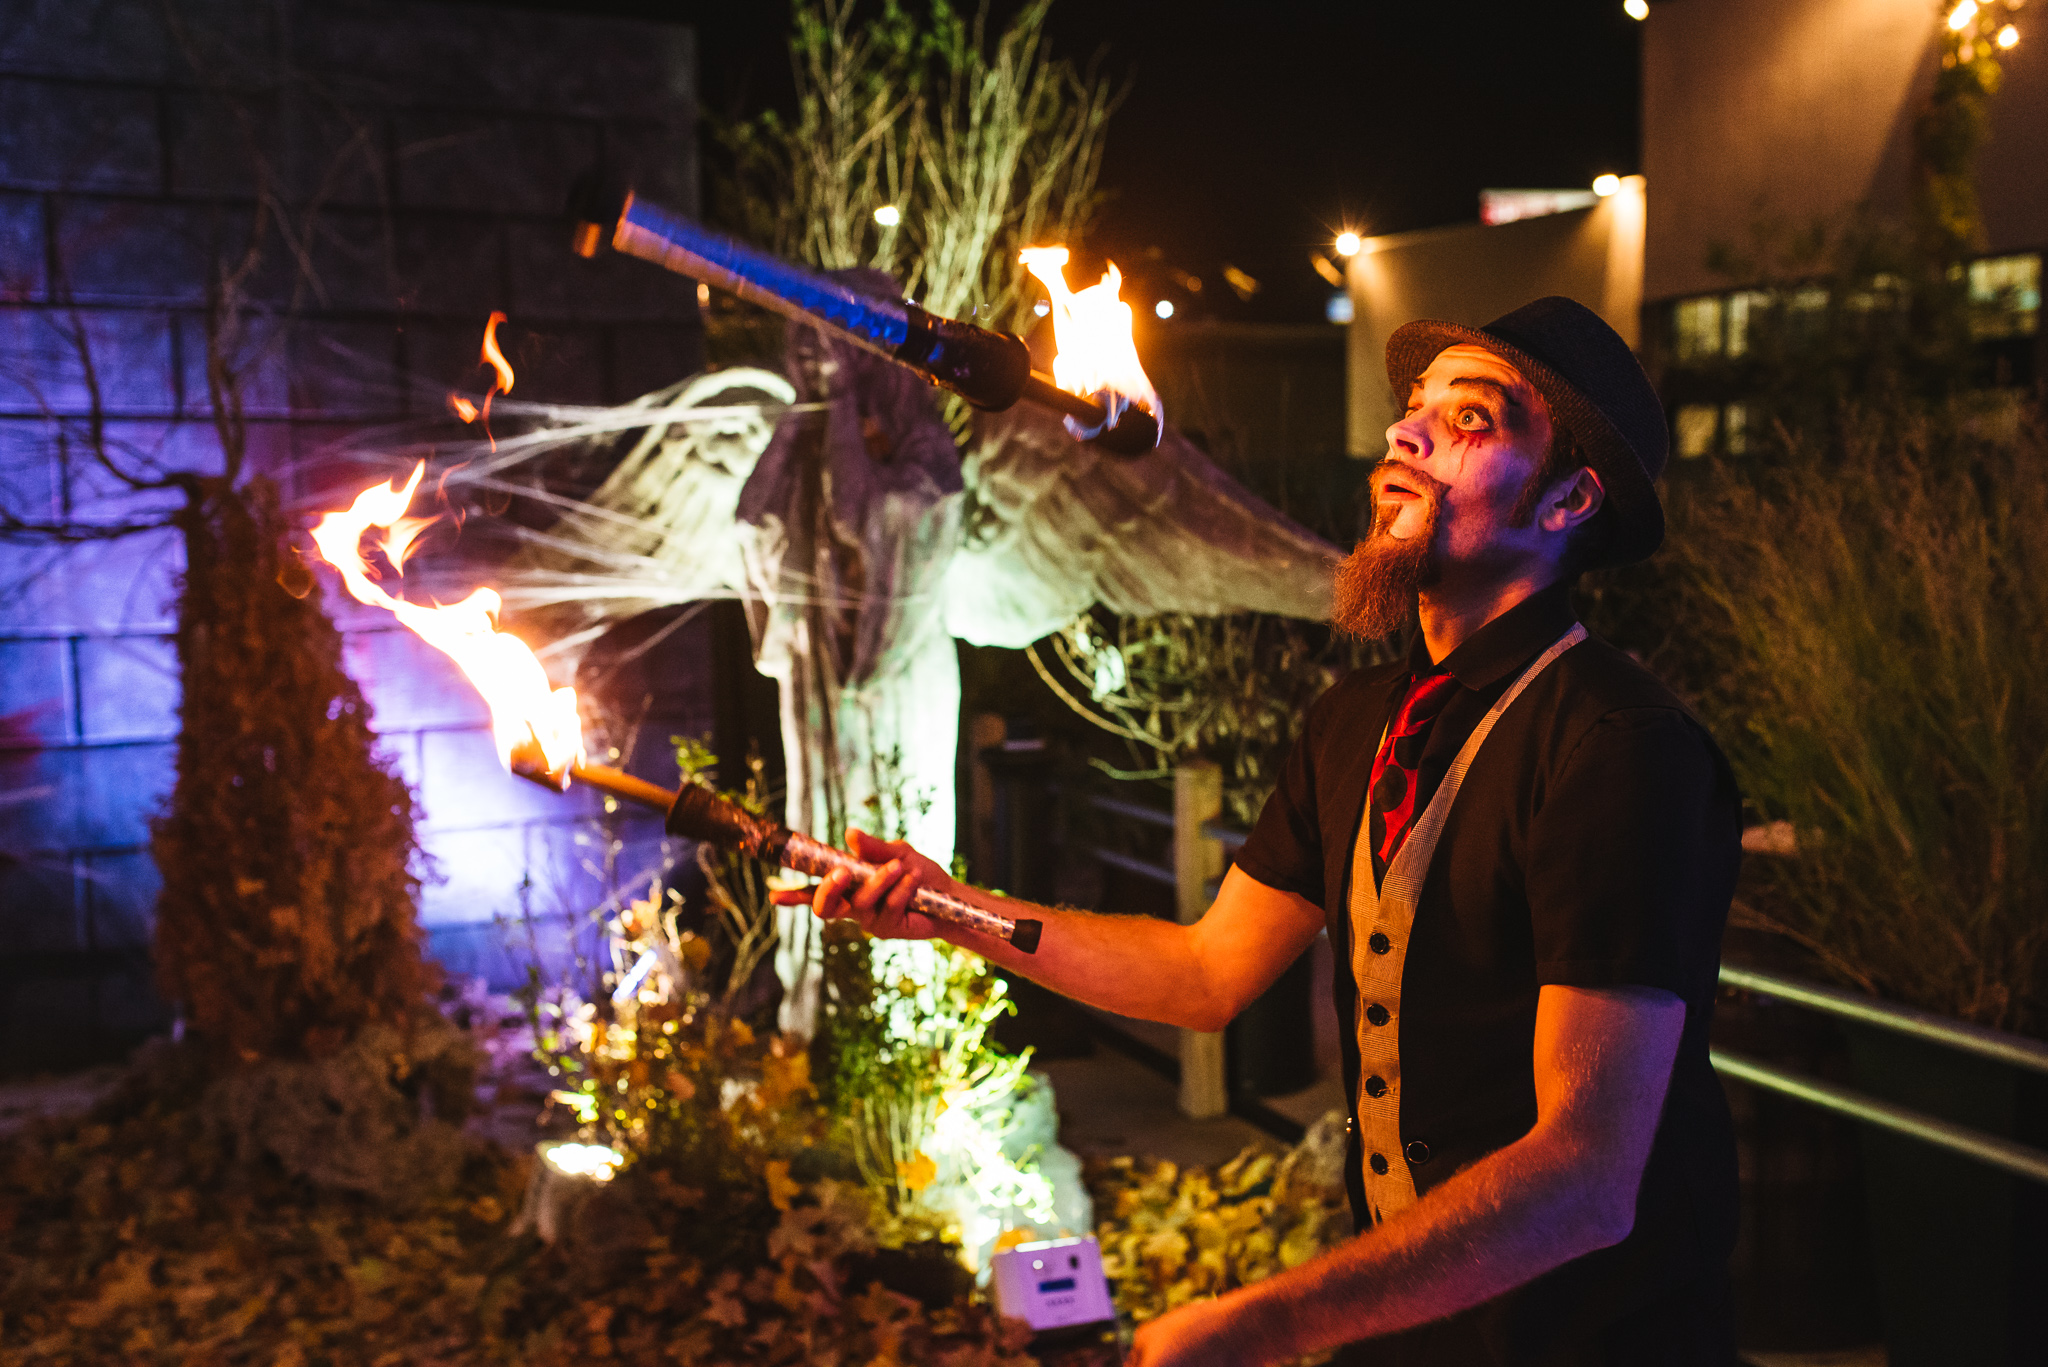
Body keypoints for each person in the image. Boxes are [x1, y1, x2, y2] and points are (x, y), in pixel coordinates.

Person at [776, 297, 1742, 1366]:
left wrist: (1265, 1319)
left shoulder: (1618, 745)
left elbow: (1586, 1174)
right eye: (1413, 406)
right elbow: (1204, 972)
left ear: (1568, 499)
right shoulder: (1355, 723)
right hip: (1408, 1341)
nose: (1404, 432)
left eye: (1469, 417)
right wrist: (946, 907)